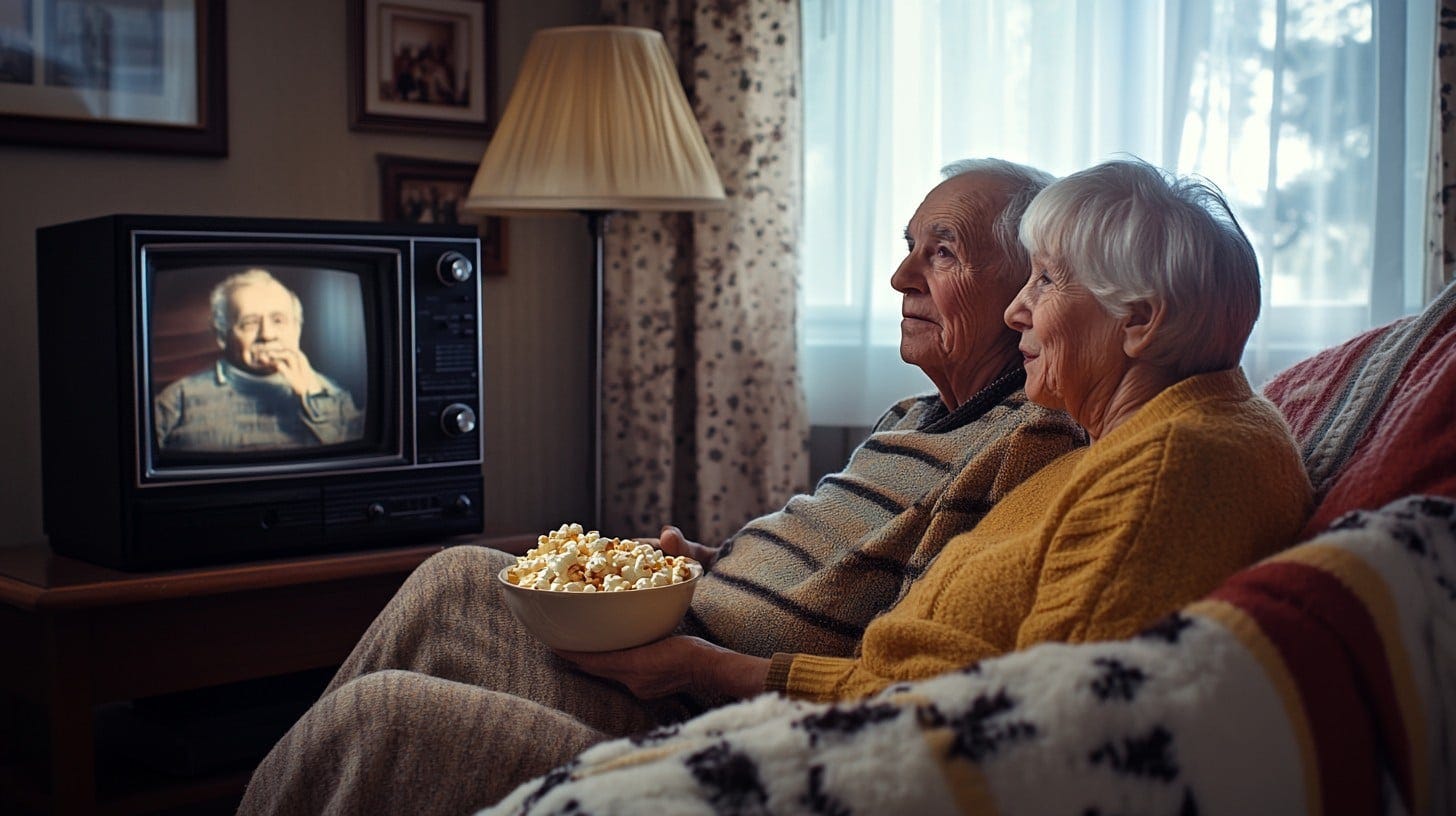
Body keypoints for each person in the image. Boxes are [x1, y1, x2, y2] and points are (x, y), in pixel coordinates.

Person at [238, 159, 1088, 815]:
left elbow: (897, 664)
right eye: (907, 248)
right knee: (455, 574)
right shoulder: (913, 411)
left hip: (718, 725)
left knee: (385, 722)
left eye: (941, 254)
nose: (902, 278)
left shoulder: (1021, 448)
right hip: (682, 651)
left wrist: (700, 661)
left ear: (1029, 289)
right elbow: (843, 570)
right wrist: (714, 564)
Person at [153, 268, 363, 451]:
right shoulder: (176, 400)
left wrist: (314, 397)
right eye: (250, 323)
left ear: (297, 329)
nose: (267, 334)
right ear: (222, 336)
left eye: (278, 320)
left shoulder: (333, 396)